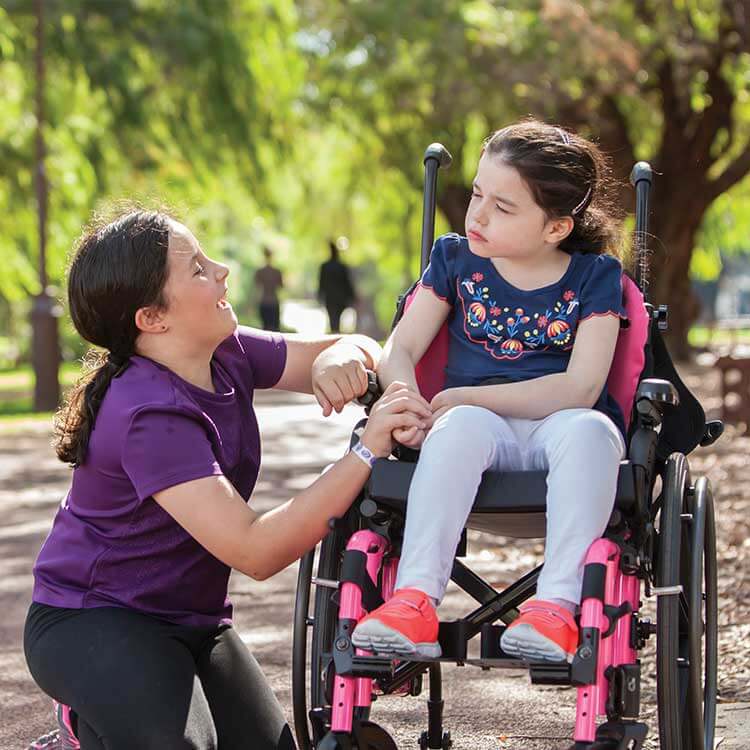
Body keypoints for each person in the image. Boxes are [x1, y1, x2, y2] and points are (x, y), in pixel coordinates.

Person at [23, 210, 432, 750]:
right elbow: (255, 549)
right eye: (196, 268)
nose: (221, 272)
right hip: (94, 621)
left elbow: (360, 344)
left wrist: (338, 357)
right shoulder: (148, 414)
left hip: (194, 622)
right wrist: (364, 451)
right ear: (152, 318)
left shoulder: (227, 350)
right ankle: (84, 730)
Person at [352, 119, 627, 665]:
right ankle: (414, 601)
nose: (477, 214)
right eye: (478, 194)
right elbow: (398, 349)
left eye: (503, 207)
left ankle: (556, 609)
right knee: (456, 429)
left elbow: (583, 385)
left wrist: (474, 398)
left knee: (594, 430)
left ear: (554, 228)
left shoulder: (595, 276)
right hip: (475, 433)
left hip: (561, 424)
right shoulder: (456, 260)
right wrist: (405, 398)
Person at [318, 239, 356, 333]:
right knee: (336, 319)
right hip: (340, 298)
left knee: (333, 319)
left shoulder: (325, 267)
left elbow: (321, 283)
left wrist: (320, 295)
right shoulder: (341, 267)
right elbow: (347, 283)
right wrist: (352, 296)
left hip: (330, 298)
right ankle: (336, 333)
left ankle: (334, 333)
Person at [254, 246, 284, 330]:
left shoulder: (260, 271)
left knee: (265, 328)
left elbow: (257, 287)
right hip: (274, 301)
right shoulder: (277, 271)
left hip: (264, 301)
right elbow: (281, 286)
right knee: (275, 328)